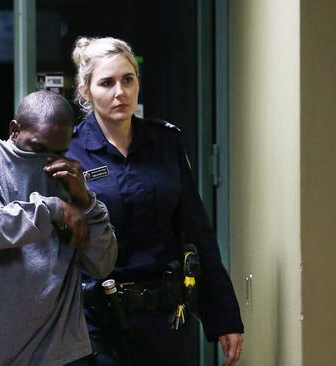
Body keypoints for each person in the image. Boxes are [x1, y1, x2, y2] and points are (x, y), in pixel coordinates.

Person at [65, 36, 244, 366]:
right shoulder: (69, 152)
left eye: (128, 80)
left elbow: (197, 230)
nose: (120, 92)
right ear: (86, 91)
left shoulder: (165, 141)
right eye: (107, 83)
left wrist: (224, 316)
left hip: (164, 317)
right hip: (95, 323)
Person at [0, 90, 118, 366]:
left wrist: (86, 202)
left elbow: (102, 264)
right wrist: (51, 209)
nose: (48, 160)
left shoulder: (67, 173)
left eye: (59, 150)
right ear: (14, 130)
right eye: (39, 148)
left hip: (62, 350)